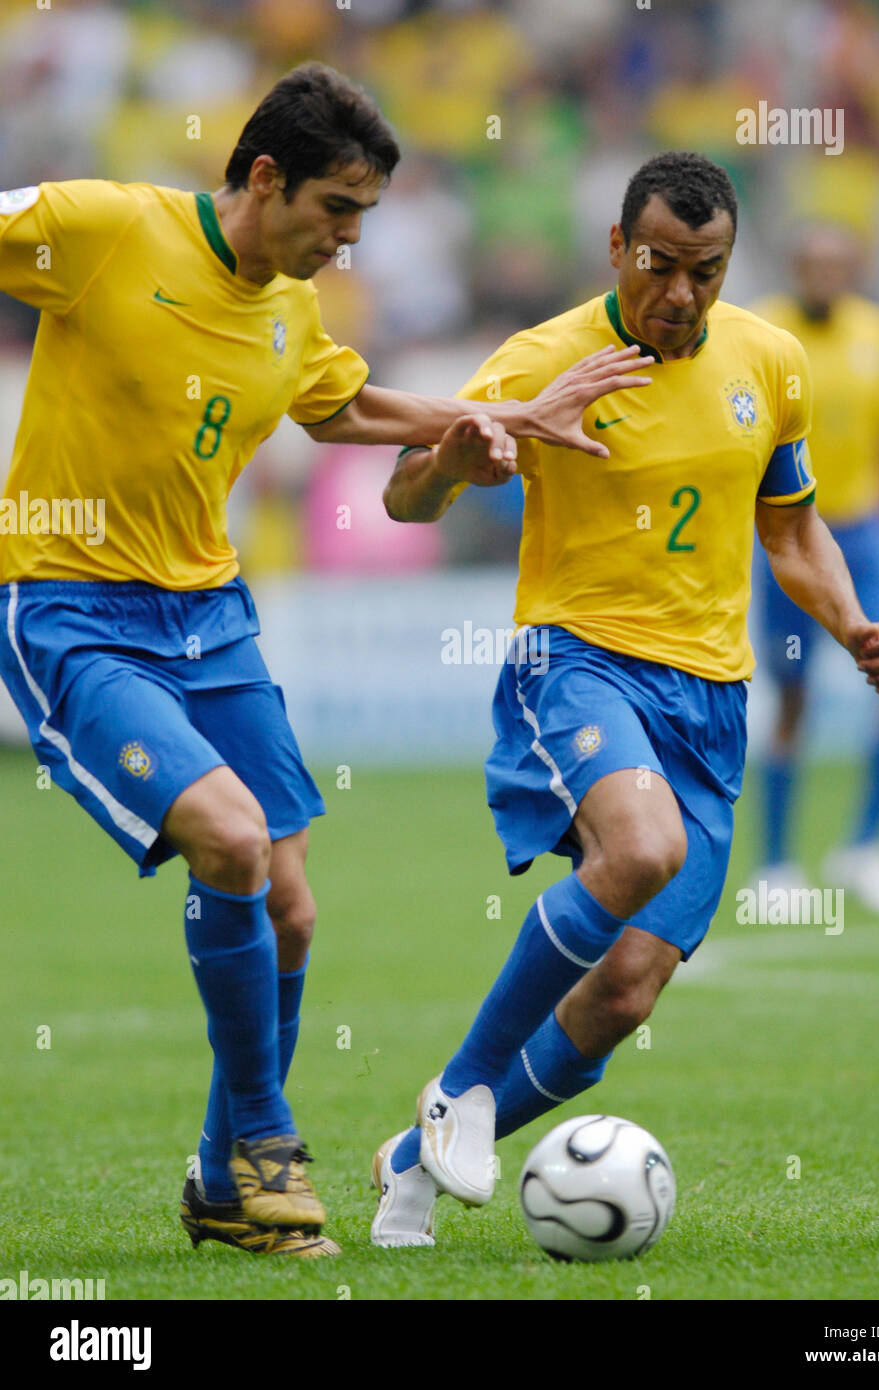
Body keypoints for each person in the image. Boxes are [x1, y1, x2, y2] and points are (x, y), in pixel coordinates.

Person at [0, 62, 652, 1259]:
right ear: (264, 176)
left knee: (291, 909)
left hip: (212, 619)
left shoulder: (294, 307)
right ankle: (262, 1137)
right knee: (235, 841)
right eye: (337, 211)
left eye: (365, 218)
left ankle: (219, 1183)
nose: (349, 241)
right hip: (74, 609)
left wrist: (495, 420)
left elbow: (339, 410)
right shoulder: (101, 228)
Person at [373, 152, 879, 1248]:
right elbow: (404, 495)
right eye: (659, 265)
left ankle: (409, 1158)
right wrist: (468, 459)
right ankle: (462, 1085)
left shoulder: (772, 361)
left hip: (711, 703)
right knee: (643, 847)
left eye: (706, 272)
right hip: (577, 663)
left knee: (622, 993)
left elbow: (791, 528)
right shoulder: (542, 358)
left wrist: (851, 622)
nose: (680, 293)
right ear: (617, 247)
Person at [750, 224, 879, 916]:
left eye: (836, 265)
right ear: (795, 267)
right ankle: (776, 867)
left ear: (853, 268)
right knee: (793, 698)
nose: (823, 277)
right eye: (811, 266)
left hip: (865, 533)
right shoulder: (763, 332)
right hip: (789, 535)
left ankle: (865, 846)